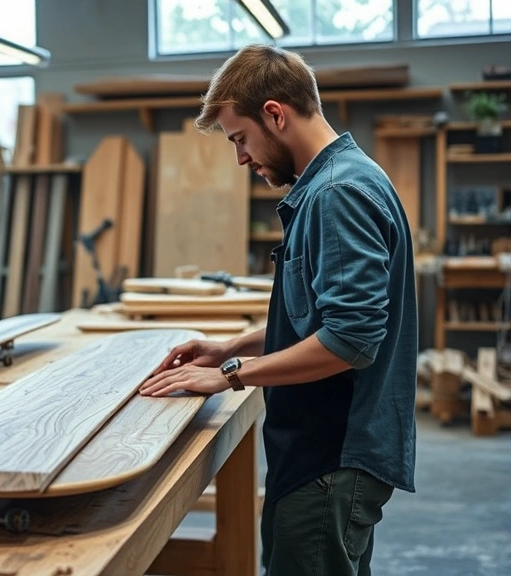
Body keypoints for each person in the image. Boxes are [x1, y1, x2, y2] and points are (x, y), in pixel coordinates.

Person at [139, 45, 417, 575]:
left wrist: (232, 374)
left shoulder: (339, 193)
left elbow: (351, 340)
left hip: (331, 455)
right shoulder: (332, 184)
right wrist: (232, 346)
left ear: (275, 114)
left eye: (240, 138)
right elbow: (314, 315)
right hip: (323, 452)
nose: (241, 157)